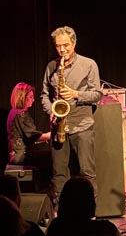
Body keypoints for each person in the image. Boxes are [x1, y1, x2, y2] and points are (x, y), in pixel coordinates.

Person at [41, 26, 102, 200]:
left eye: (65, 45)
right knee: (59, 173)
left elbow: (97, 94)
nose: (62, 49)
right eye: (58, 46)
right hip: (58, 126)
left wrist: (76, 94)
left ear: (74, 43)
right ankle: (61, 211)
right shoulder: (51, 67)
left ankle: (89, 209)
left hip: (82, 126)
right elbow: (44, 95)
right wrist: (51, 109)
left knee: (86, 171)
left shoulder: (88, 64)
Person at [6, 82, 50, 166]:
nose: (33, 100)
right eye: (31, 97)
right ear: (22, 97)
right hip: (22, 156)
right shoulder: (21, 114)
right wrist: (51, 134)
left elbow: (28, 138)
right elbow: (33, 136)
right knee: (53, 158)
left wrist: (44, 138)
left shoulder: (14, 112)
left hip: (16, 155)